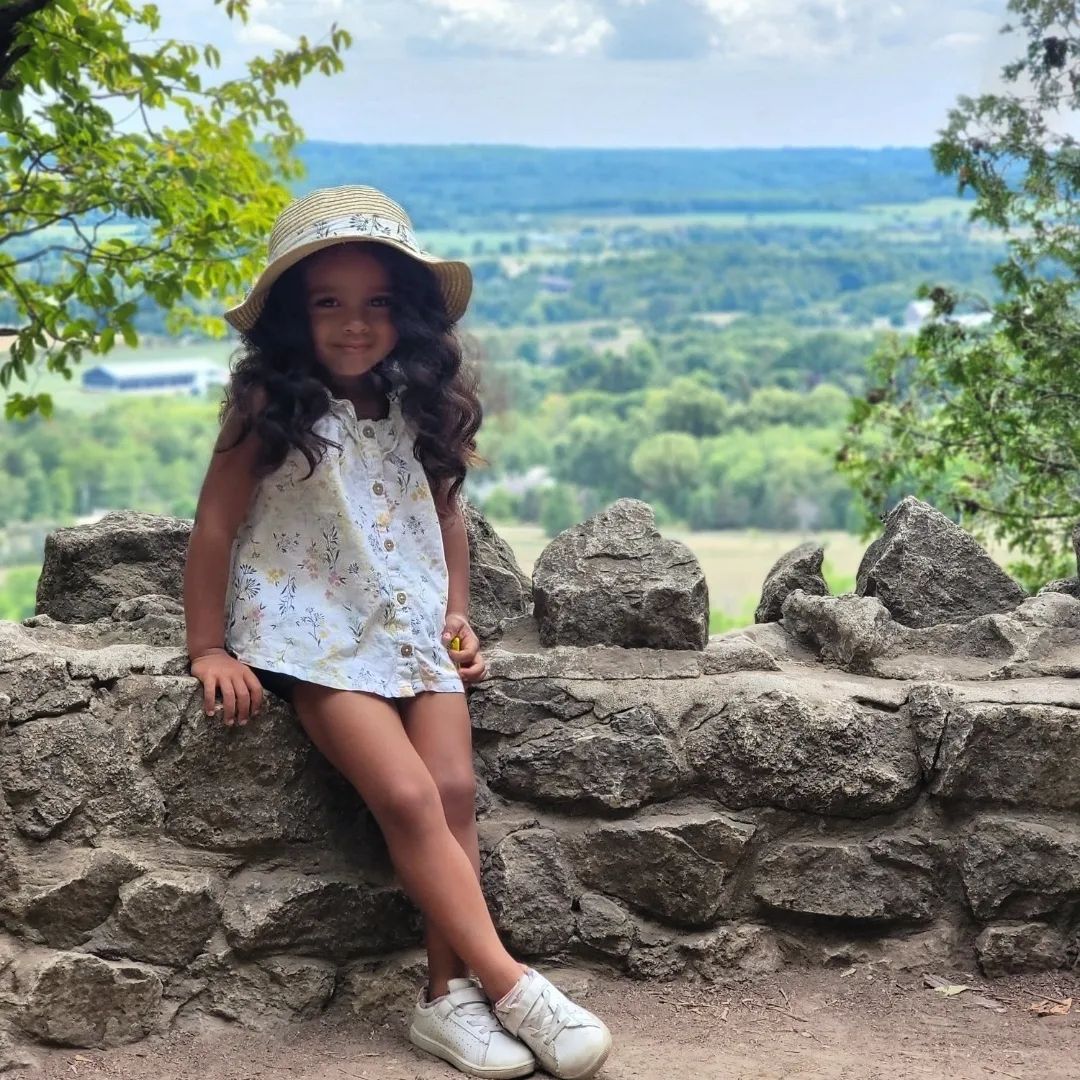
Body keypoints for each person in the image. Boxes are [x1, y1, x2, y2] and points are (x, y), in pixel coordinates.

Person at [183, 186, 612, 1080]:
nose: (355, 323)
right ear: (293, 317)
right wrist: (209, 647)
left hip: (411, 628)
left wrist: (457, 612)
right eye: (328, 302)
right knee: (409, 799)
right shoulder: (268, 406)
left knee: (452, 789)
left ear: (407, 312)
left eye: (377, 301)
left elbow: (444, 515)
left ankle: (445, 998)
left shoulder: (416, 401)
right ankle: (512, 983)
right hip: (310, 635)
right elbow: (215, 526)